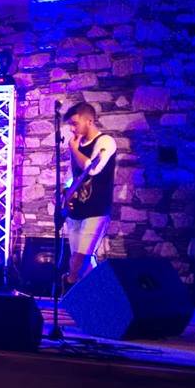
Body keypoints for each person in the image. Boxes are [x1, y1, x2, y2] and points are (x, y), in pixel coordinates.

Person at [63, 101, 117, 285]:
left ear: (90, 121)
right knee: (82, 263)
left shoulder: (105, 142)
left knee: (78, 261)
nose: (72, 129)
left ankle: (68, 287)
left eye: (75, 124)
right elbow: (72, 175)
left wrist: (74, 149)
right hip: (76, 211)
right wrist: (65, 193)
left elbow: (92, 169)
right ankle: (100, 295)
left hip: (97, 210)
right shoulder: (77, 145)